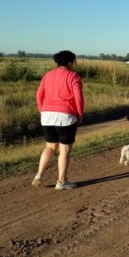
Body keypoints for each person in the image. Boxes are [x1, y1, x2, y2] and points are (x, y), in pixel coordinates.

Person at [32, 50, 84, 190]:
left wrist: (42, 109)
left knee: (50, 146)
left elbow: (39, 94)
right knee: (64, 150)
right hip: (65, 116)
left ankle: (39, 175)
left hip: (47, 115)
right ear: (69, 62)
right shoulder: (73, 76)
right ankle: (61, 181)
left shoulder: (48, 75)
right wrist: (80, 114)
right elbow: (78, 97)